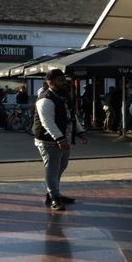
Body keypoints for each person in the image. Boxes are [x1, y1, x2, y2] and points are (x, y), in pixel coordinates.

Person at [32, 69, 87, 211]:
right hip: (49, 140)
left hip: (64, 138)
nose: (64, 82)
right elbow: (47, 122)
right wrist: (60, 139)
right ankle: (55, 199)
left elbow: (71, 116)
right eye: (60, 80)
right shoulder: (45, 98)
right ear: (50, 82)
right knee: (52, 168)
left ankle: (53, 193)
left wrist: (80, 132)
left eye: (64, 79)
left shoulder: (63, 96)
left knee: (60, 167)